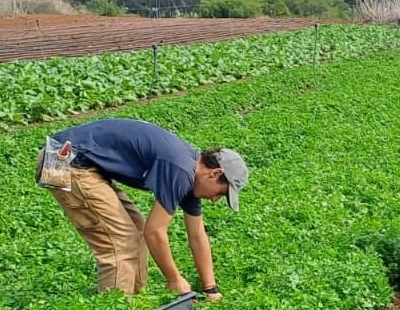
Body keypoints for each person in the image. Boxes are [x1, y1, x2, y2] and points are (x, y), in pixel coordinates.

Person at [42, 118, 247, 299]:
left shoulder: (191, 176)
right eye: (221, 193)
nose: (214, 200)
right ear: (214, 173)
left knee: (137, 231)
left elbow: (197, 236)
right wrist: (174, 280)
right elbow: (156, 232)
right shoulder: (180, 169)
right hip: (62, 159)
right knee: (121, 240)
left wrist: (210, 289)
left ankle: (135, 303)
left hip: (79, 162)